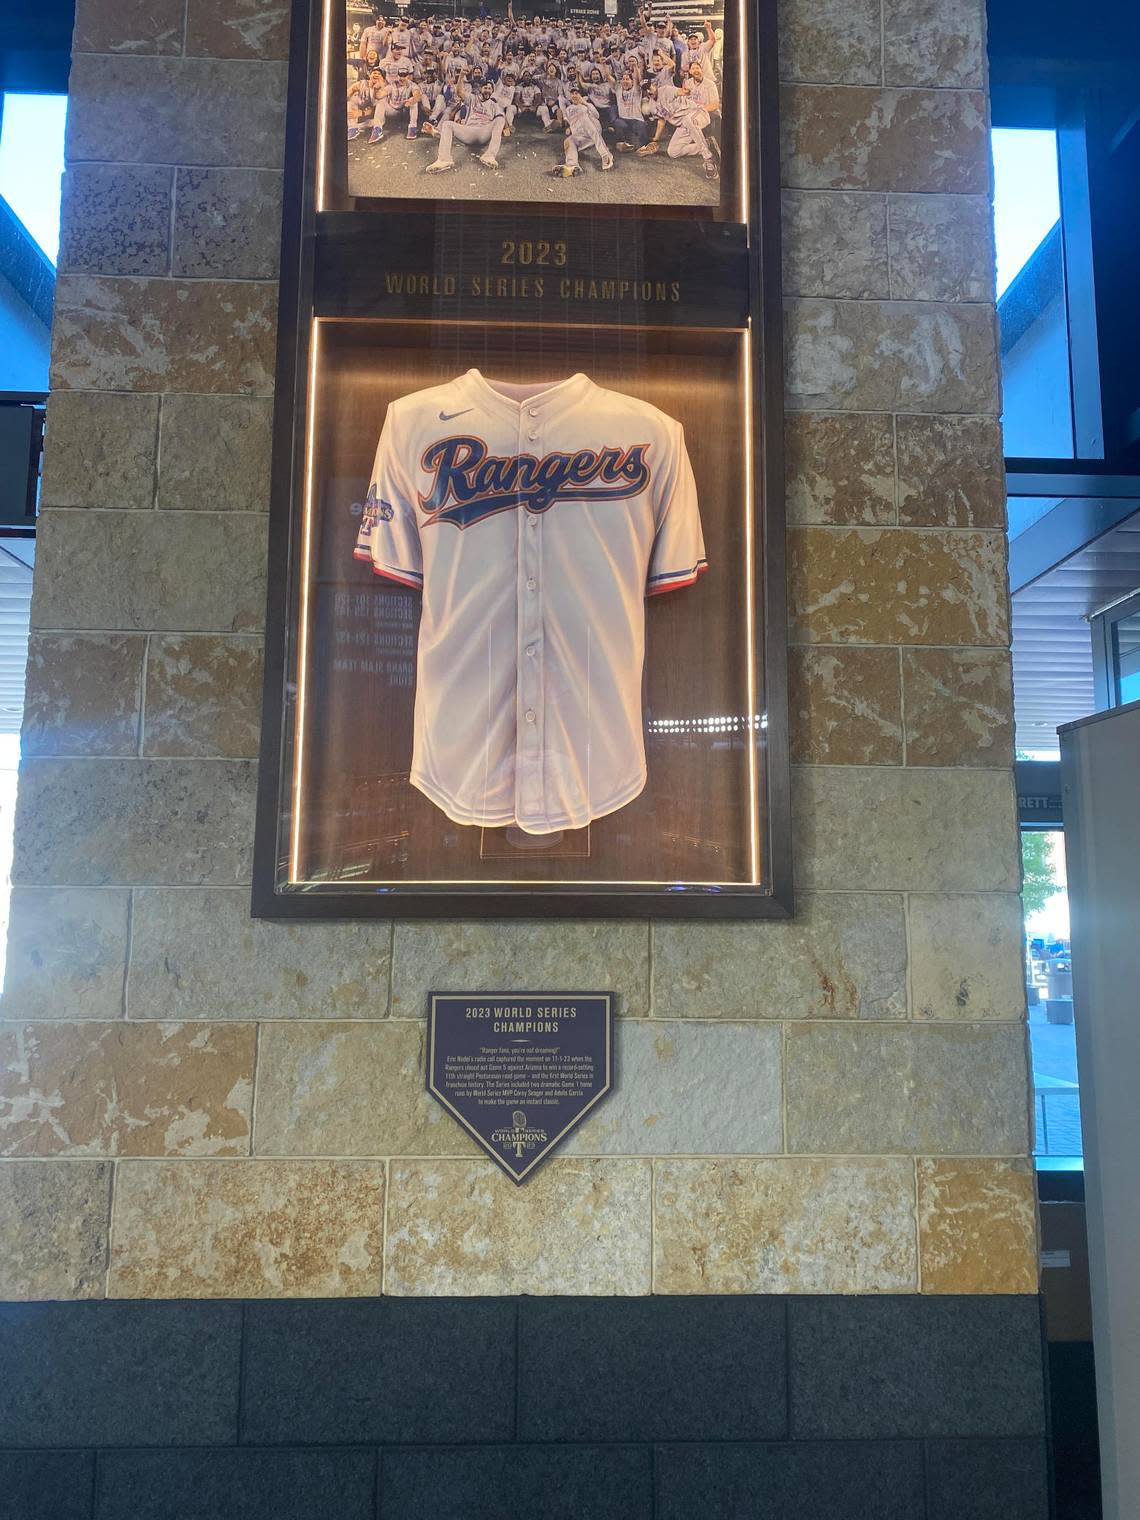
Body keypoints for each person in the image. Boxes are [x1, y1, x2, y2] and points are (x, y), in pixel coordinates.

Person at [426, 79, 507, 171]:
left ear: (492, 91)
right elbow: (459, 92)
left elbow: (501, 119)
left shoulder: (494, 105)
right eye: (485, 88)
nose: (487, 90)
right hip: (468, 131)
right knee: (447, 124)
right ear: (481, 89)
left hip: (484, 132)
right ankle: (444, 159)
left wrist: (504, 128)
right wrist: (461, 75)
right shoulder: (472, 98)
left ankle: (489, 156)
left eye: (489, 88)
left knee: (500, 119)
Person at [552, 85, 613, 176]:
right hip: (583, 138)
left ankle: (605, 154)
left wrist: (585, 103)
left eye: (576, 93)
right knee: (568, 141)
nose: (574, 95)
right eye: (572, 94)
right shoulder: (569, 109)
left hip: (594, 132)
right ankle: (572, 165)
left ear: (580, 95)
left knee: (585, 119)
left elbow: (597, 116)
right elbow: (562, 103)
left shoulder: (587, 105)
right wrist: (568, 128)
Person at [612, 70, 649, 151]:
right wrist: (603, 65)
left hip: (636, 120)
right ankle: (624, 143)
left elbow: (638, 80)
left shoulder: (636, 90)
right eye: (623, 79)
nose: (625, 81)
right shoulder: (618, 90)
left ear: (632, 82)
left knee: (642, 140)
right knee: (618, 122)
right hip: (623, 119)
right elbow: (608, 77)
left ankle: (641, 146)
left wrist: (635, 67)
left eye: (627, 79)